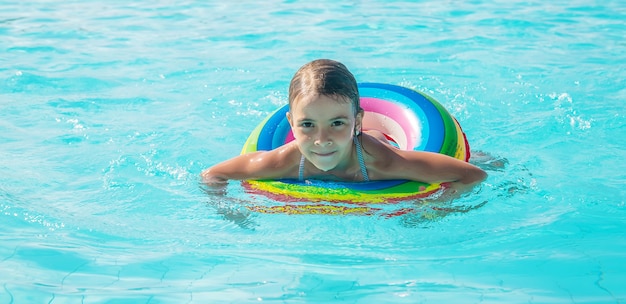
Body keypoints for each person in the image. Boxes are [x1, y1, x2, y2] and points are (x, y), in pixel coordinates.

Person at [201, 59, 486, 198]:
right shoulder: (283, 161)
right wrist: (230, 211)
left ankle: (371, 132)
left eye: (336, 123)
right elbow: (213, 175)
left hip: (375, 144)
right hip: (357, 141)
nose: (321, 140)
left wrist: (433, 211)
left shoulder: (384, 164)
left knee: (488, 161)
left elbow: (472, 175)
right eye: (307, 125)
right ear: (291, 123)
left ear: (356, 121)